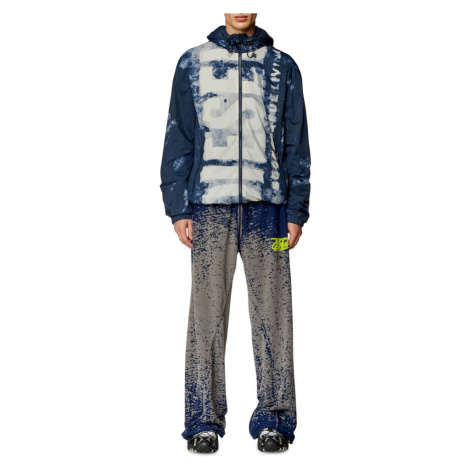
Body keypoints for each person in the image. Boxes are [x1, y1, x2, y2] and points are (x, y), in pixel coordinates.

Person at [160, 13, 311, 453]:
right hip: (208, 208)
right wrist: (178, 206)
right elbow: (178, 135)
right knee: (205, 317)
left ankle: (275, 419)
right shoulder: (192, 62)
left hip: (272, 211)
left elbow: (296, 142)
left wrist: (296, 209)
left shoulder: (283, 65)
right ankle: (202, 420)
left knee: (274, 314)